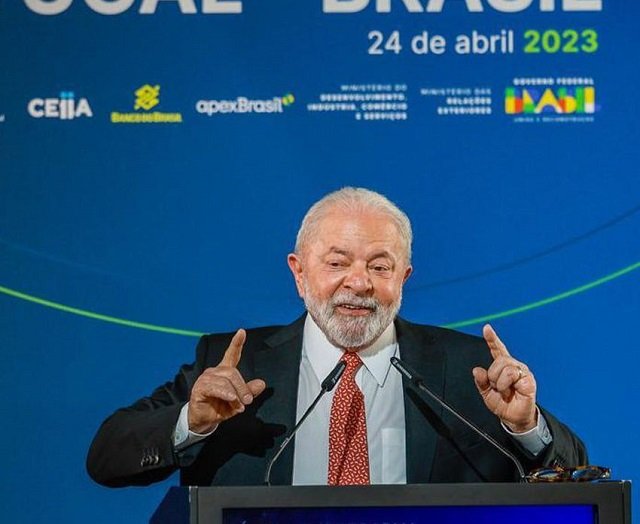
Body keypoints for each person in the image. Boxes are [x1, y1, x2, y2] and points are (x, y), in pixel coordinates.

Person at [87, 187, 587, 488]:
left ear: (404, 279)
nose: (359, 282)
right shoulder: (234, 364)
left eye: (380, 266)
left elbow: (580, 478)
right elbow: (106, 457)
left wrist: (526, 427)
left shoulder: (469, 370)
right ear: (299, 273)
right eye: (337, 263)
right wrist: (191, 424)